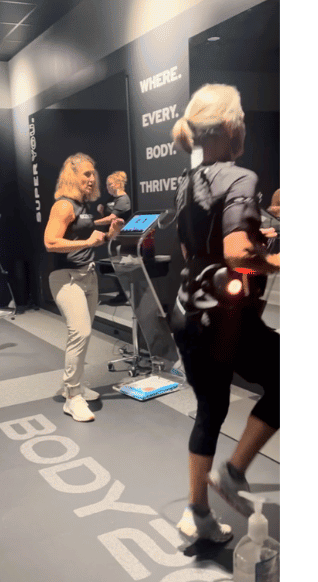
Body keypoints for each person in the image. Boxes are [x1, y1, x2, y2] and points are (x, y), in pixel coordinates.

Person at [168, 84, 280, 545]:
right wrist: (276, 259)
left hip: (187, 314)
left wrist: (261, 241)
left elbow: (193, 249)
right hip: (225, 320)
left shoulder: (186, 182)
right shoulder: (241, 178)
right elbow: (236, 253)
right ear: (231, 127)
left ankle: (199, 513)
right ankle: (232, 473)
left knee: (209, 410)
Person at [44, 153, 124, 422]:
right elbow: (50, 243)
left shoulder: (82, 206)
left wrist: (109, 233)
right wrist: (88, 243)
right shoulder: (63, 206)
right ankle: (72, 397)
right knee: (80, 331)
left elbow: (87, 234)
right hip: (65, 277)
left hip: (87, 275)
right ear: (72, 176)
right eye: (86, 174)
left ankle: (76, 384)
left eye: (93, 174)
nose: (92, 179)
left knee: (83, 334)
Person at [95, 171, 132, 304]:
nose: (108, 187)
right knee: (115, 268)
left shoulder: (123, 200)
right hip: (112, 239)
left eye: (110, 184)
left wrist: (92, 223)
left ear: (117, 184)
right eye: (107, 185)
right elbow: (107, 218)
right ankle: (122, 294)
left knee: (120, 268)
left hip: (121, 240)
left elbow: (112, 218)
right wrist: (100, 212)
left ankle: (125, 296)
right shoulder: (112, 199)